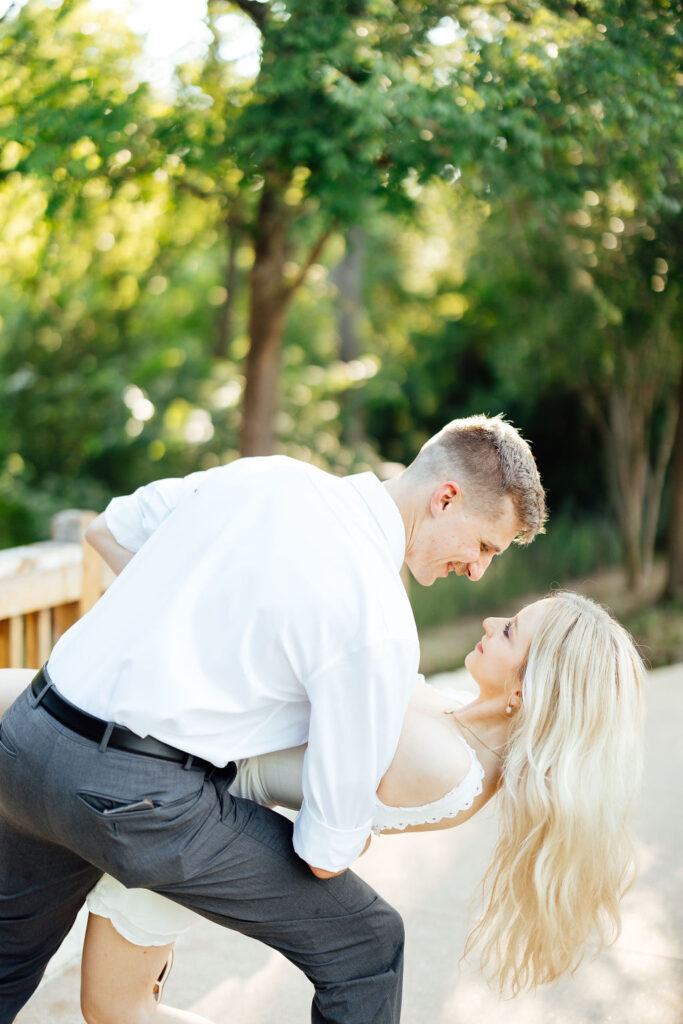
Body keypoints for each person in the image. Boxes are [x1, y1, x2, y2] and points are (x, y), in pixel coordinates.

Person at [0, 415, 547, 1024]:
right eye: (484, 547)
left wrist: (189, 622)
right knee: (368, 945)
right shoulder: (378, 619)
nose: (477, 570)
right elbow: (324, 850)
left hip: (25, 740)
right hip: (135, 800)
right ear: (446, 499)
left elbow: (110, 527)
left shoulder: (268, 475)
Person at [0, 592, 644, 1021]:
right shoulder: (459, 727)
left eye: (507, 632)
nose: (486, 624)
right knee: (115, 1008)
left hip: (197, 818)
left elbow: (333, 674)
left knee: (115, 1011)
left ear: (526, 694)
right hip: (192, 789)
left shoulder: (447, 757)